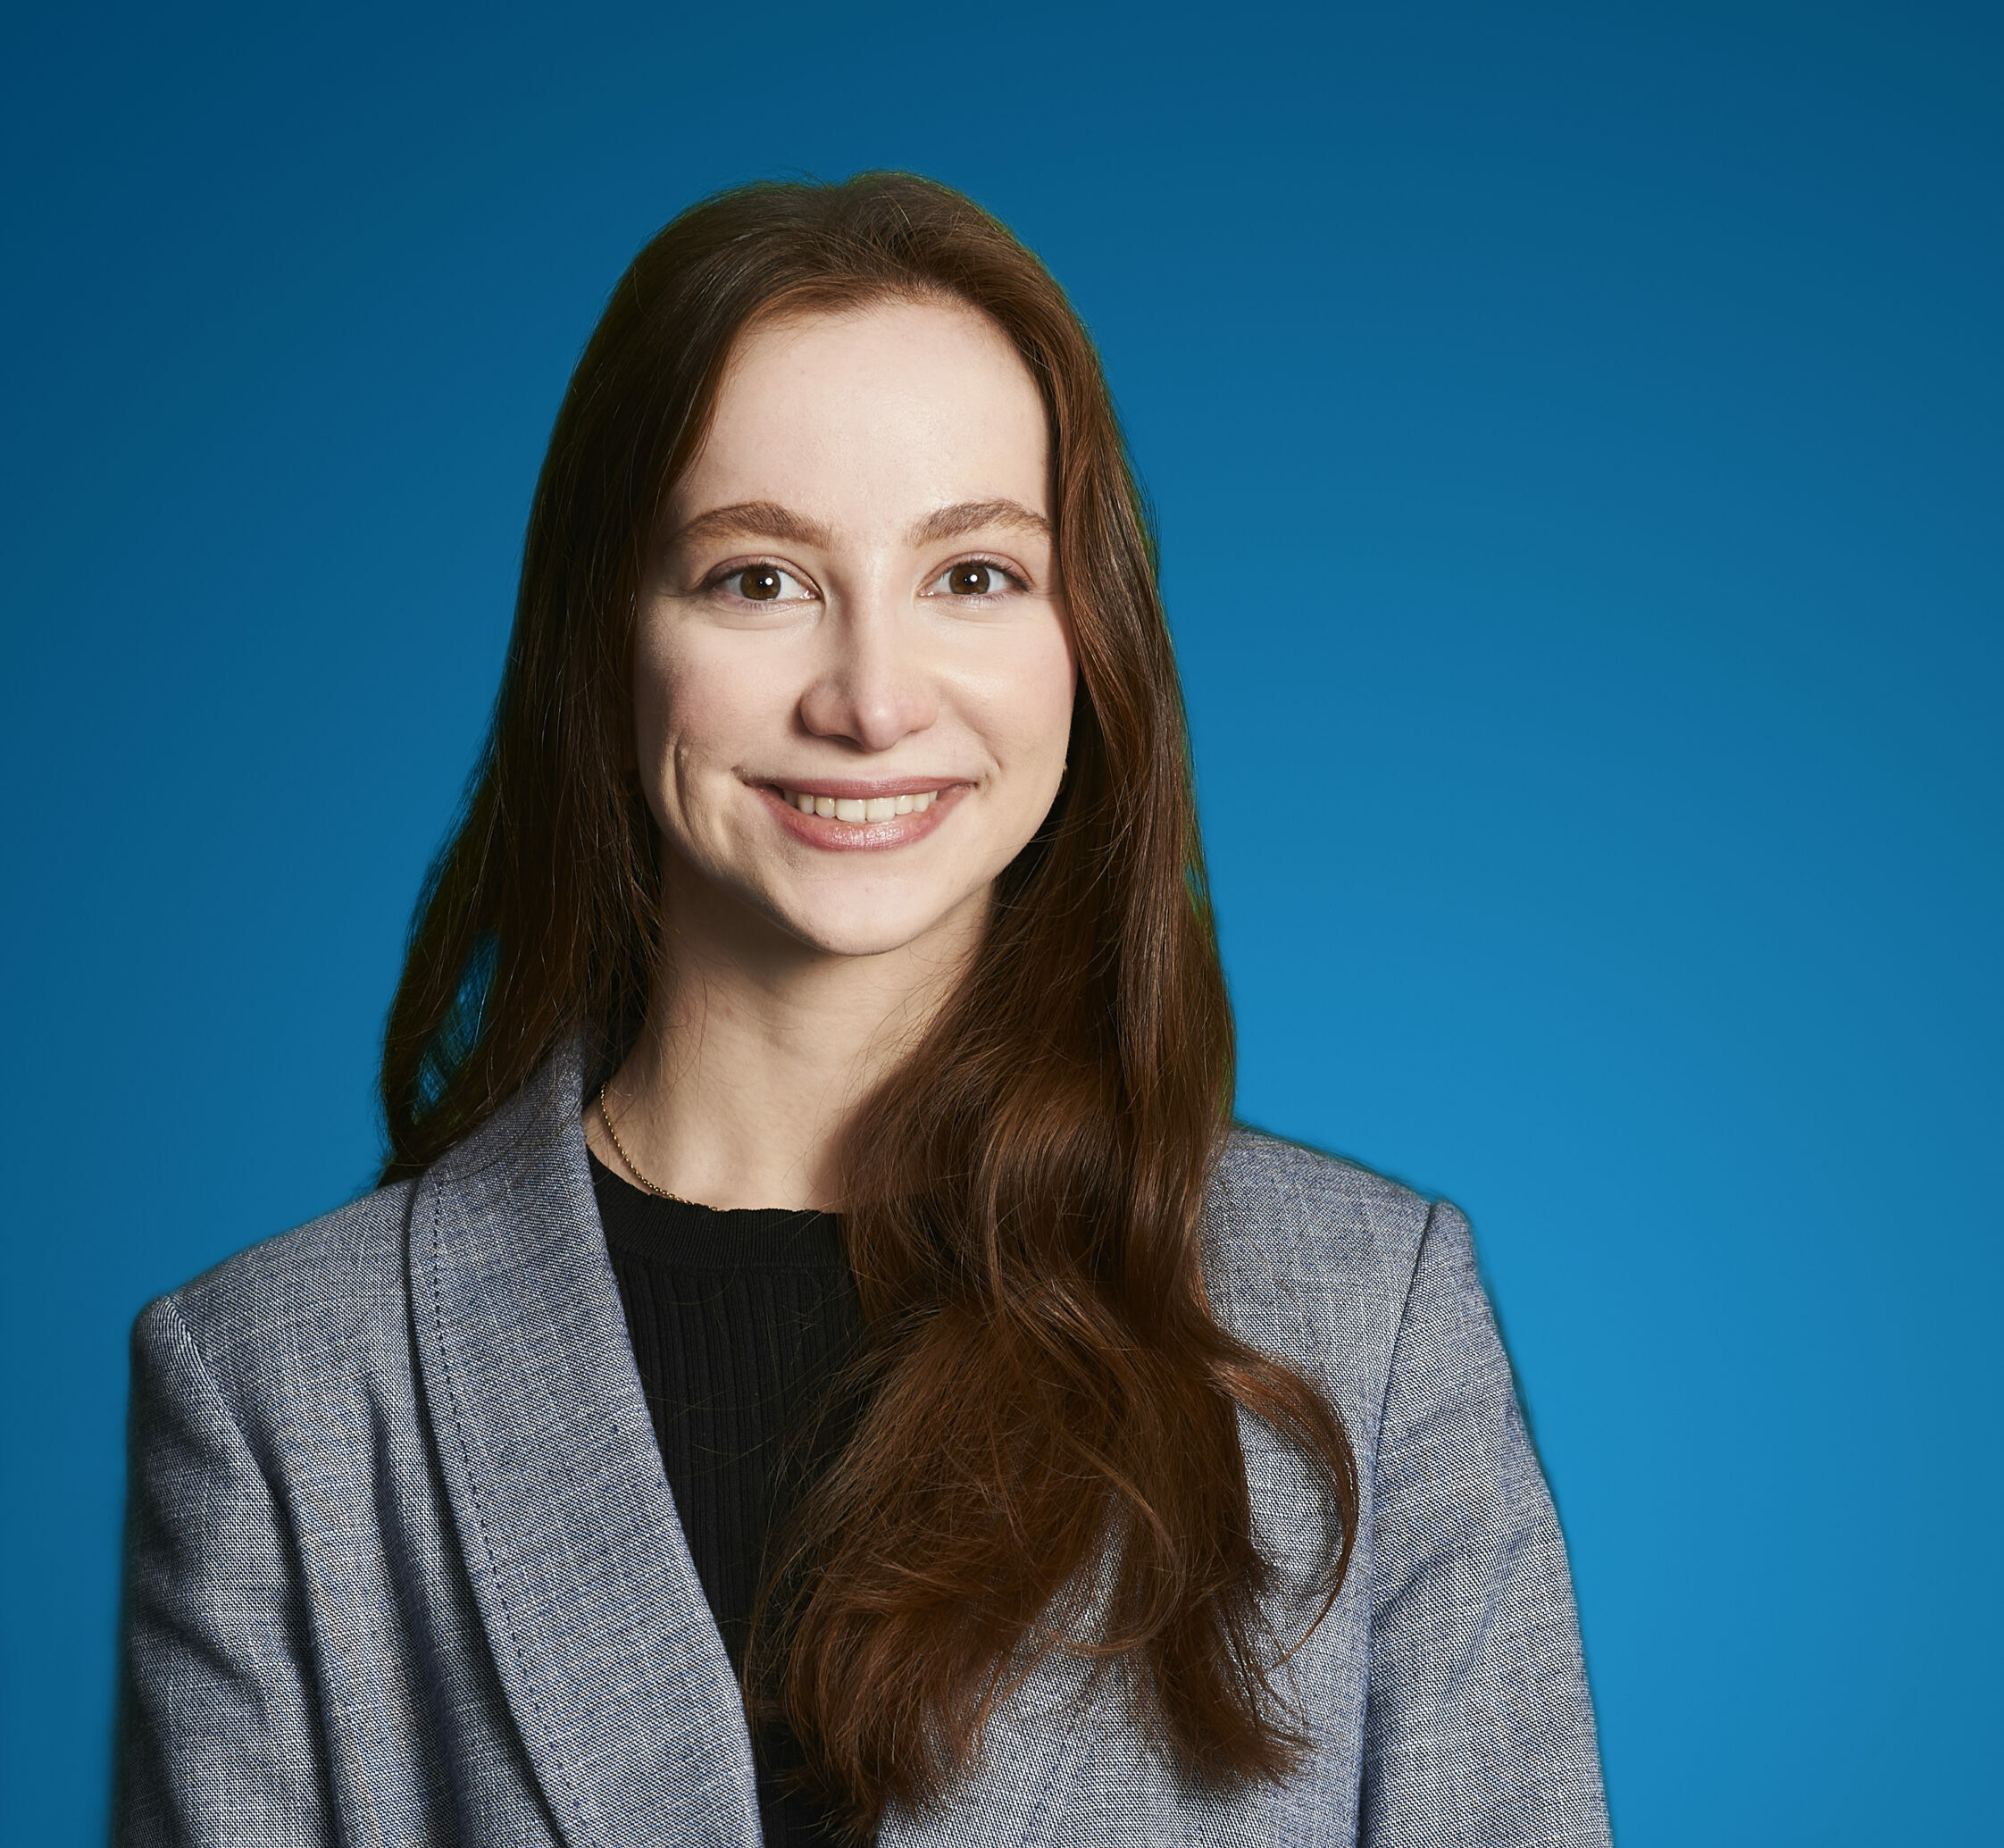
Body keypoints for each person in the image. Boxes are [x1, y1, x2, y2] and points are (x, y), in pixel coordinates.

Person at [113, 173, 1611, 1848]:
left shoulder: (1371, 1326)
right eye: (760, 578)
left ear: (1089, 640)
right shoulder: (279, 1388)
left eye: (973, 572)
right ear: (608, 637)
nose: (874, 699)